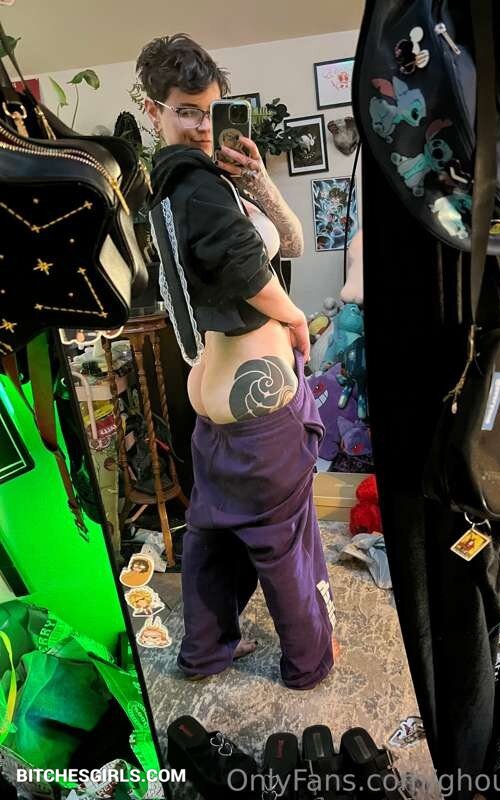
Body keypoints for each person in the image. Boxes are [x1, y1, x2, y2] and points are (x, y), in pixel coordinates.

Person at [136, 34, 336, 689]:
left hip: (217, 409)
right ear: (153, 110)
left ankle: (205, 652)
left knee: (211, 542)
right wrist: (294, 317)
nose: (201, 126)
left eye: (210, 110)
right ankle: (307, 665)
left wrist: (255, 179)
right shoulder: (196, 184)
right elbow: (248, 268)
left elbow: (290, 242)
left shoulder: (183, 185)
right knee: (285, 545)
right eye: (185, 111)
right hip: (257, 416)